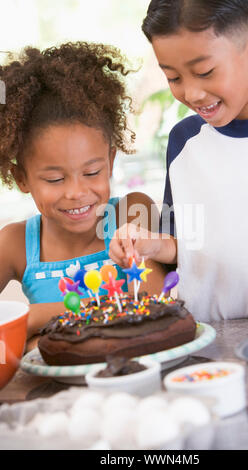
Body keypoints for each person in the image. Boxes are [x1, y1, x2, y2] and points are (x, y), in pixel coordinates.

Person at [109, 0, 248, 322]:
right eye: (173, 77)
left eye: (204, 72)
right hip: (203, 345)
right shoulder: (184, 142)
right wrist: (153, 246)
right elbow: (189, 247)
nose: (192, 93)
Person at [0, 42, 167, 350]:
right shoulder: (14, 244)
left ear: (111, 162)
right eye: (54, 178)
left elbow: (152, 301)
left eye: (91, 173)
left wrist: (36, 319)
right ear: (21, 177)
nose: (76, 192)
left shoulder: (132, 212)